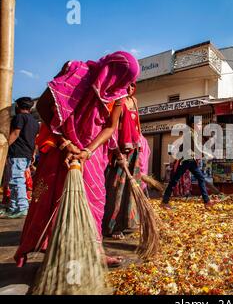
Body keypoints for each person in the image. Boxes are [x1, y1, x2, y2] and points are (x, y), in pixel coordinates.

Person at [14, 51, 140, 268]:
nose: (122, 85)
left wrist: (87, 151)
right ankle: (56, 252)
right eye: (120, 78)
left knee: (95, 202)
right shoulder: (76, 72)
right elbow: (43, 106)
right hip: (59, 150)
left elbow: (110, 127)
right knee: (54, 201)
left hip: (90, 156)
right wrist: (65, 141)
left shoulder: (117, 94)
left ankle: (96, 251)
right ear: (111, 70)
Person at [102, 83, 144, 240]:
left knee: (132, 187)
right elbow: (111, 128)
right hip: (119, 149)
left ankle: (128, 222)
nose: (129, 88)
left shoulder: (134, 101)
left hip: (134, 149)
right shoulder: (116, 100)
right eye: (127, 85)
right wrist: (117, 152)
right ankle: (113, 227)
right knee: (116, 188)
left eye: (132, 85)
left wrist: (140, 146)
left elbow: (137, 126)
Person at [0, 98, 39, 219]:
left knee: (16, 181)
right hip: (26, 154)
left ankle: (22, 207)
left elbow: (16, 133)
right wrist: (32, 154)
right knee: (14, 181)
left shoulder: (19, 118)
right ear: (31, 108)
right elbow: (35, 139)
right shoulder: (34, 122)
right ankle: (13, 208)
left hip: (18, 153)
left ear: (17, 106)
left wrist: (5, 146)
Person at [161, 124, 214, 209]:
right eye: (198, 125)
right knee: (174, 180)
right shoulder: (190, 133)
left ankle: (207, 201)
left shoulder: (195, 134)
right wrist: (206, 154)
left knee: (200, 178)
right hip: (185, 160)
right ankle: (164, 201)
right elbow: (195, 148)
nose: (200, 127)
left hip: (190, 160)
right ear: (193, 124)